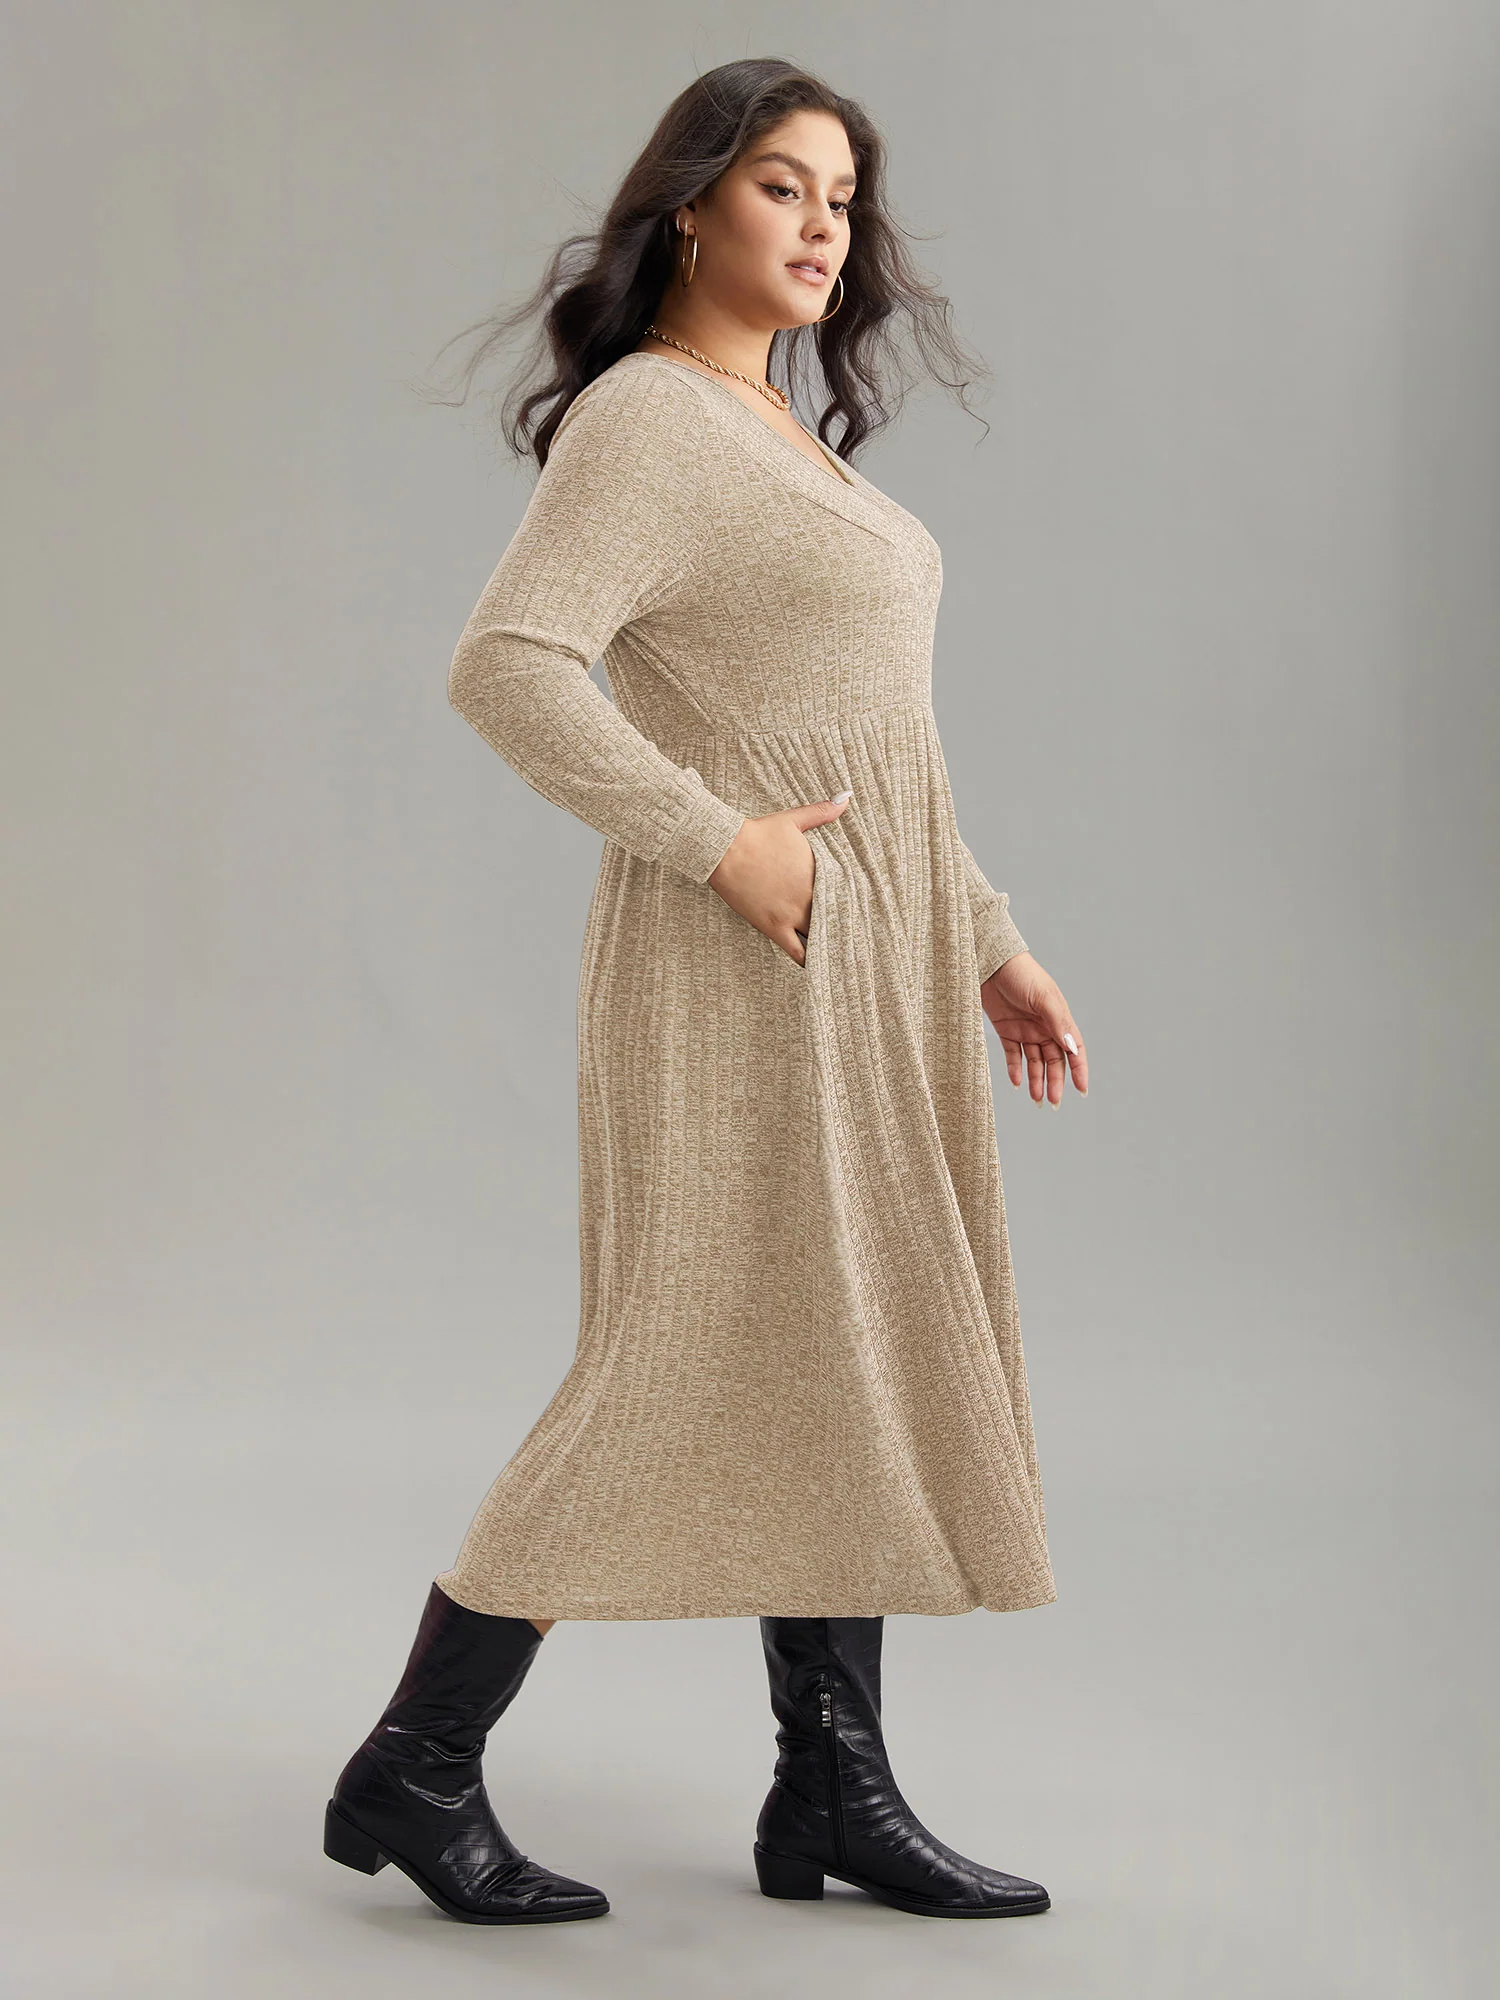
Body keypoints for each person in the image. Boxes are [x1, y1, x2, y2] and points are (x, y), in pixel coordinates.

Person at [324, 55, 1087, 1927]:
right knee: (671, 1356)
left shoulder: (776, 432)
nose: (824, 226)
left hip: (873, 965)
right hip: (742, 965)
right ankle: (414, 1765)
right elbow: (510, 666)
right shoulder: (653, 421)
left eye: (843, 198)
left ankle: (829, 1789)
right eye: (780, 187)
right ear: (688, 206)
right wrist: (716, 841)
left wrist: (986, 938)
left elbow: (881, 746)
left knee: (840, 1352)